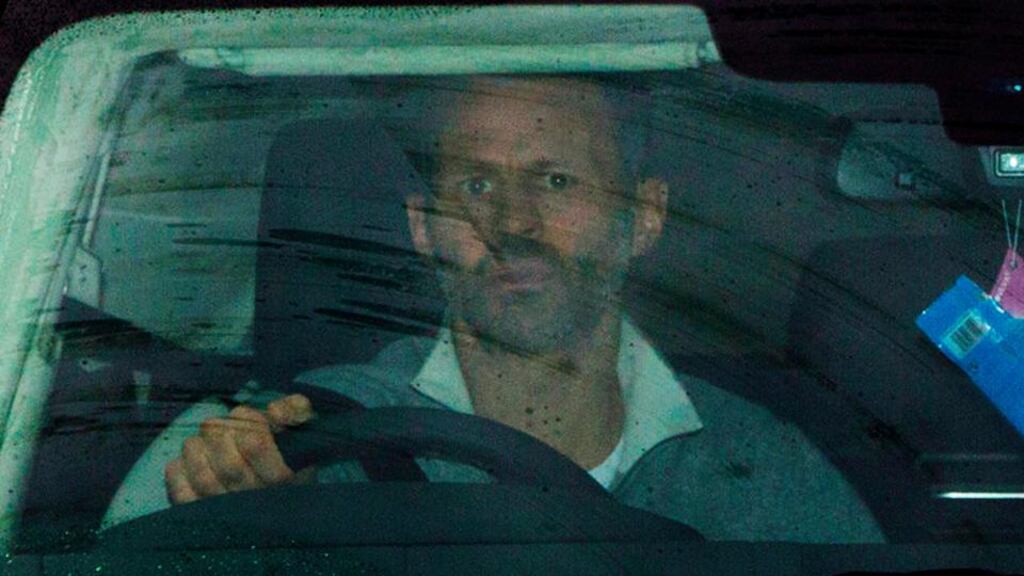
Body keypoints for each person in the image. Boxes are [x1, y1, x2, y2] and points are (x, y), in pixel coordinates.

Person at [108, 74, 886, 542]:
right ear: (423, 228)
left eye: (556, 181)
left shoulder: (765, 470)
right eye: (477, 185)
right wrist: (245, 528)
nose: (513, 223)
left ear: (643, 219)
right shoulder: (287, 445)